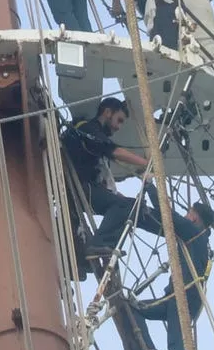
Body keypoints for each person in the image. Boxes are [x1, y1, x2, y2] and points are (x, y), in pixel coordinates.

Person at [130, 200, 214, 350]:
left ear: (195, 217)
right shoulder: (200, 240)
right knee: (133, 309)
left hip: (182, 296)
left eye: (189, 213)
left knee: (177, 343)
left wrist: (151, 186)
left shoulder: (193, 232)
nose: (187, 216)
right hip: (179, 297)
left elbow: (167, 216)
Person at [62, 97, 159, 257]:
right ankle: (101, 243)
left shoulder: (89, 133)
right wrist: (147, 163)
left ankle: (94, 251)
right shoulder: (88, 128)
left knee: (132, 205)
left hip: (86, 188)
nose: (119, 127)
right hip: (79, 187)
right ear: (107, 112)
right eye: (119, 120)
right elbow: (115, 151)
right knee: (125, 206)